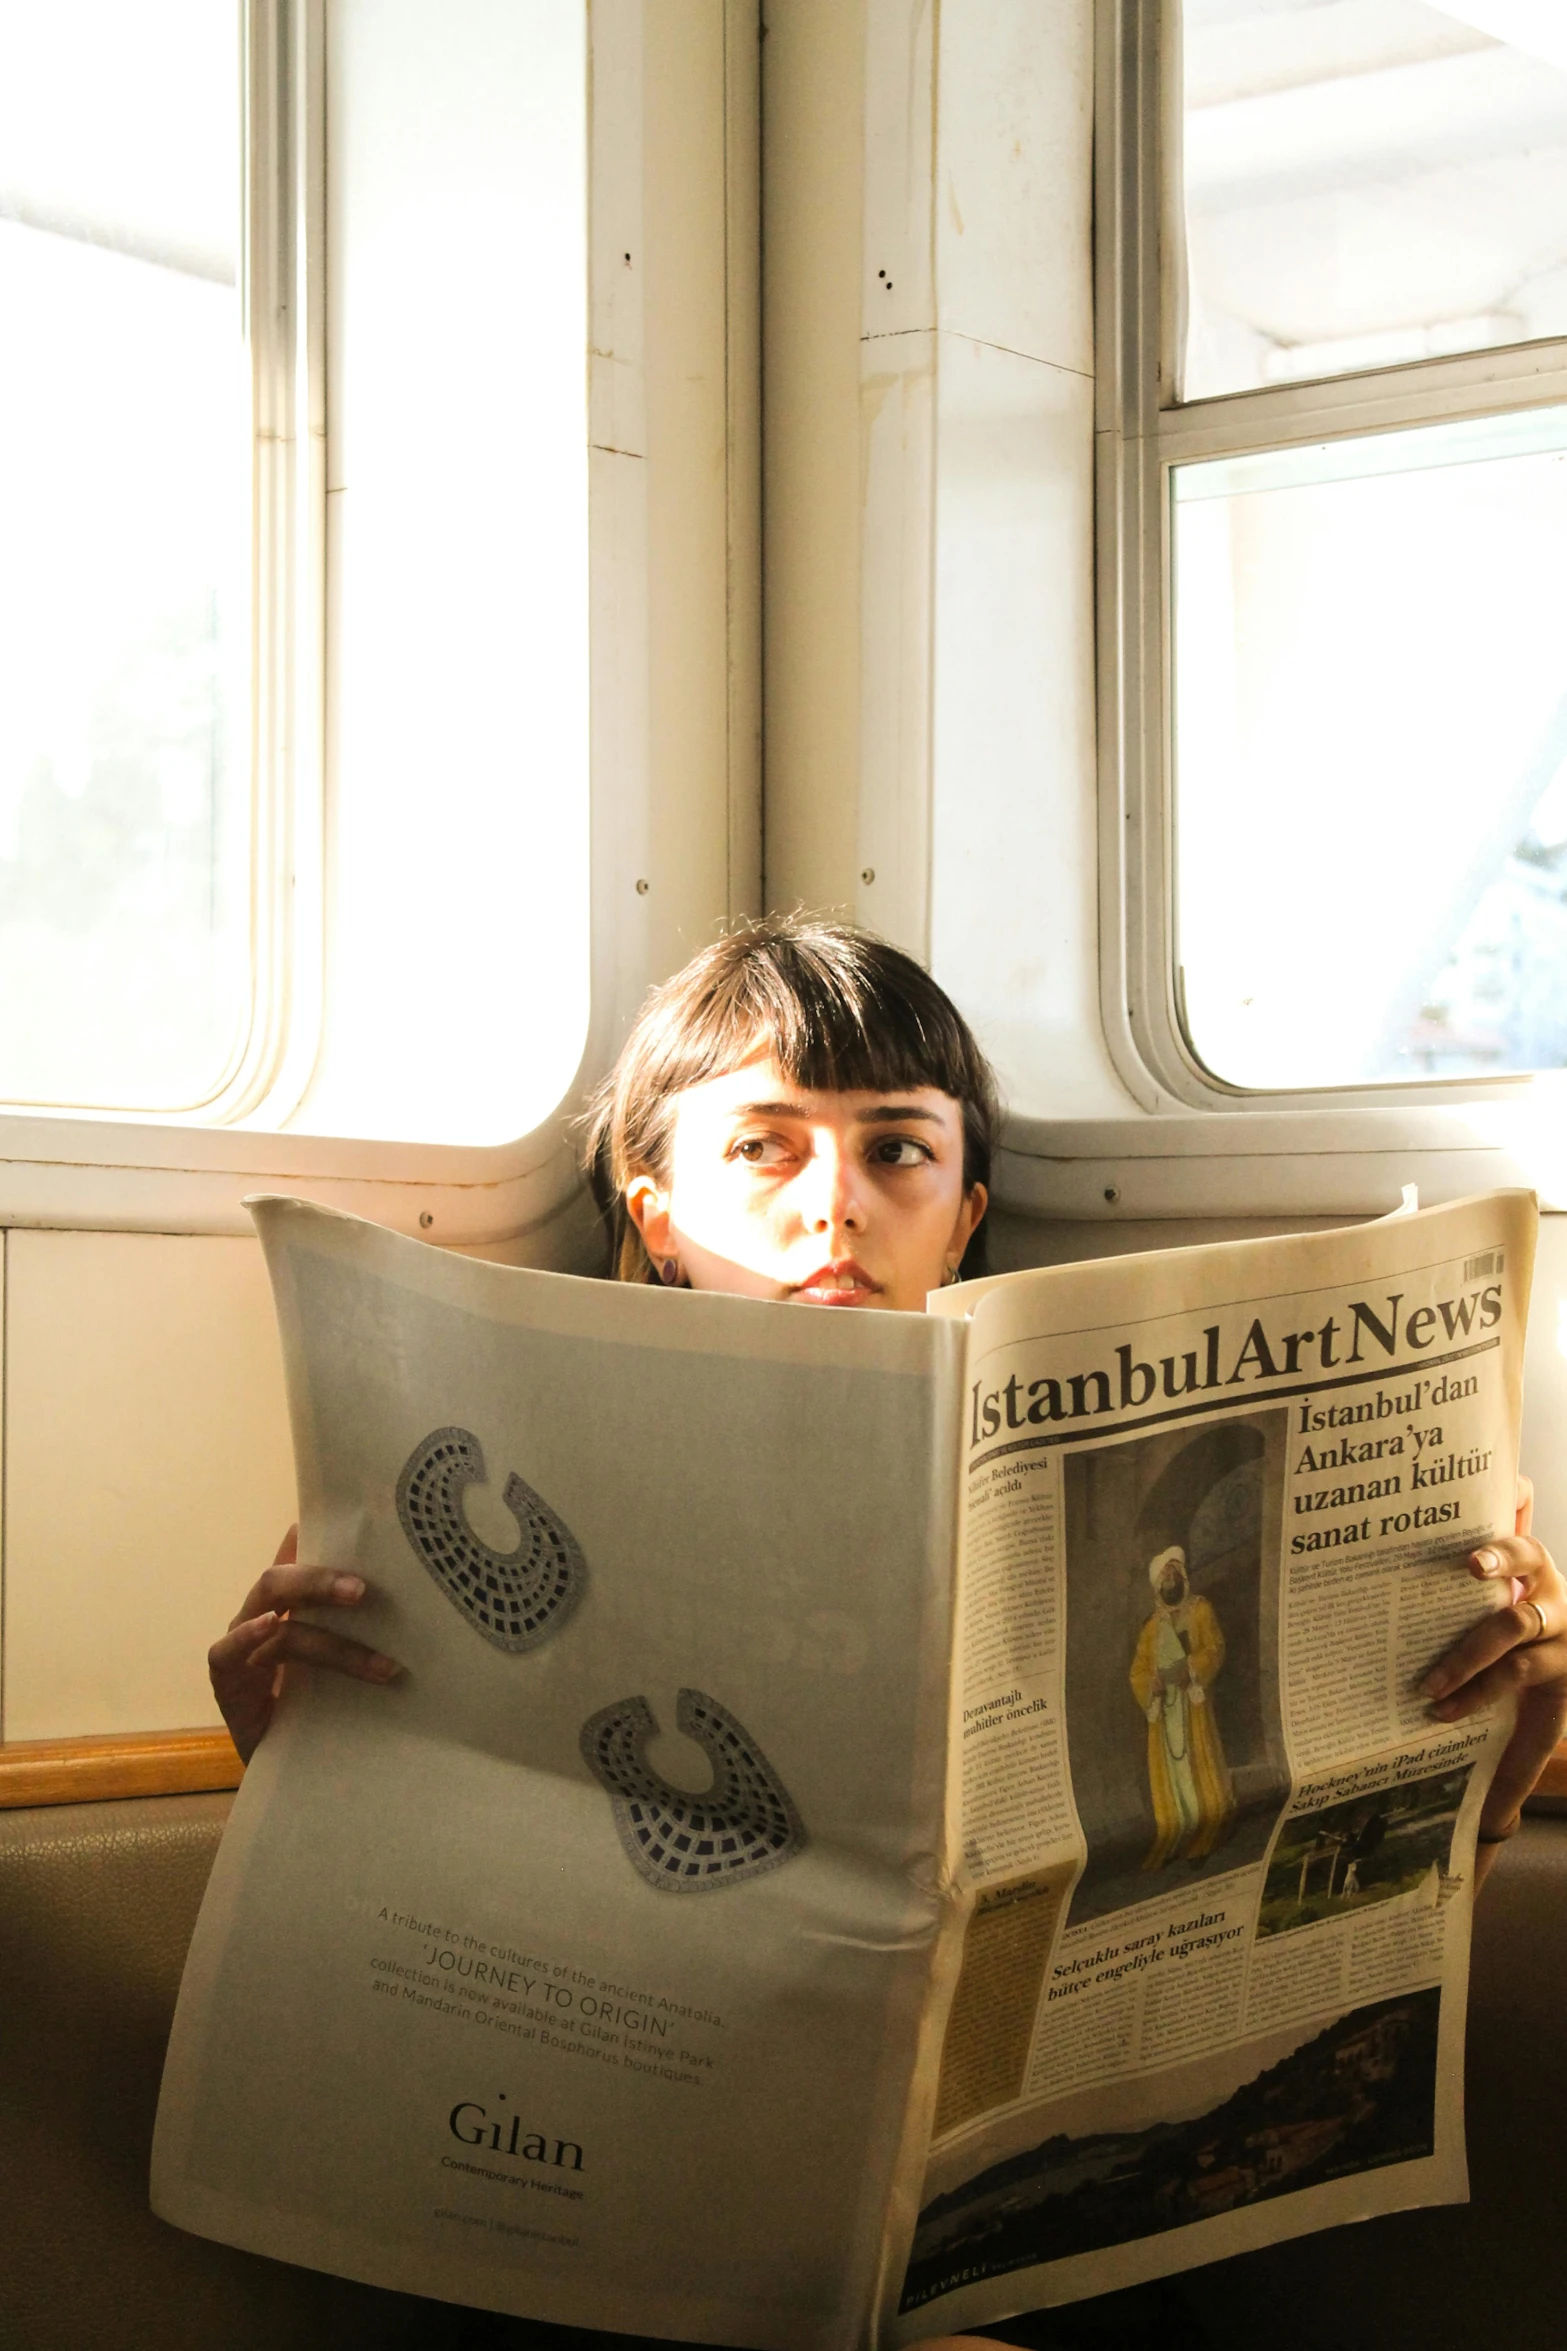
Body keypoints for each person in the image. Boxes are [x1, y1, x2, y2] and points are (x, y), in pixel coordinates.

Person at [208, 915, 1567, 2350]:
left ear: (964, 1207)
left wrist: (1493, 1767)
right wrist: (289, 1756)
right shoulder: (496, 1484)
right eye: (762, 1146)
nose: (836, 1204)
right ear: (655, 1211)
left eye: (895, 1149)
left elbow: (1294, 1997)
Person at [1129, 1545, 1236, 1870]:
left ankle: (1202, 1843)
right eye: (1166, 1575)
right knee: (1172, 1780)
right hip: (1164, 1714)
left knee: (1200, 1771)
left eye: (1175, 1573)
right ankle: (1178, 1836)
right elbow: (1138, 1671)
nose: (1171, 1579)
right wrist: (1152, 1684)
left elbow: (1215, 1647)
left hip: (1192, 1705)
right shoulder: (1149, 1628)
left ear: (1183, 1577)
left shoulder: (1201, 1610)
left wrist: (1190, 1668)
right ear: (1158, 1584)